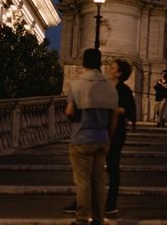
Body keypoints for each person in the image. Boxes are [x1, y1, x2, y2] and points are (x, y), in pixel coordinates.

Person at [65, 48, 118, 225]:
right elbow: (113, 118)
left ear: (84, 62)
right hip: (101, 138)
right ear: (99, 62)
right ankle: (98, 219)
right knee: (98, 181)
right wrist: (108, 138)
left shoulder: (77, 84)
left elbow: (70, 111)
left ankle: (81, 218)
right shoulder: (109, 86)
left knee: (83, 181)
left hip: (81, 138)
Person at [105, 59, 136, 215]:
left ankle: (111, 202)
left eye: (112, 68)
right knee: (91, 168)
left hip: (116, 133)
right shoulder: (102, 87)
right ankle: (82, 201)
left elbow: (130, 111)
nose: (108, 69)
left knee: (112, 167)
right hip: (100, 130)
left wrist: (116, 110)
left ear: (119, 73)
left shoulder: (124, 90)